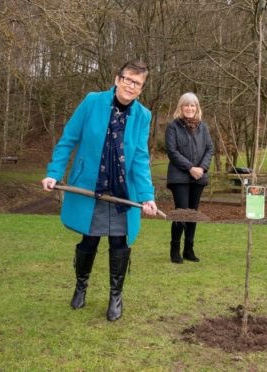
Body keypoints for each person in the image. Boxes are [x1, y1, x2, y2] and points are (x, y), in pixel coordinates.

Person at [41, 60, 158, 321]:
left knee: (119, 241)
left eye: (137, 83)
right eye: (127, 79)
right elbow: (68, 139)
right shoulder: (92, 102)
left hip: (122, 193)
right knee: (89, 240)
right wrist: (53, 173)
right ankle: (81, 286)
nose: (131, 85)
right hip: (90, 188)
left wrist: (147, 196)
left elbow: (140, 157)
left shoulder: (142, 116)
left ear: (141, 89)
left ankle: (116, 296)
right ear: (117, 79)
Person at [165, 92, 213, 264]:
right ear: (181, 107)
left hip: (198, 177)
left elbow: (209, 149)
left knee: (193, 214)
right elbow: (172, 151)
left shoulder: (203, 127)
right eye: (187, 105)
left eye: (193, 105)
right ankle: (175, 249)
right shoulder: (173, 127)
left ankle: (189, 249)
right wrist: (190, 167)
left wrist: (201, 168)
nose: (190, 108)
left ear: (197, 108)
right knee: (182, 213)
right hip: (179, 177)